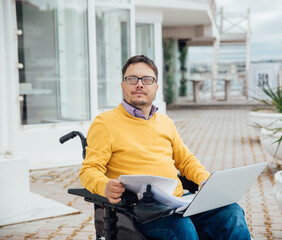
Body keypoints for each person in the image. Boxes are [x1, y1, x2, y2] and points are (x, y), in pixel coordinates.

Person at [79, 55, 251, 240]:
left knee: (231, 212)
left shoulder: (165, 122)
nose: (139, 84)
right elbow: (89, 170)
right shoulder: (105, 123)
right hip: (138, 212)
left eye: (147, 80)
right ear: (123, 85)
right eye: (132, 79)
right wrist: (105, 186)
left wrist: (205, 181)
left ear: (156, 87)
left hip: (178, 203)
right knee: (181, 227)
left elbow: (186, 161)